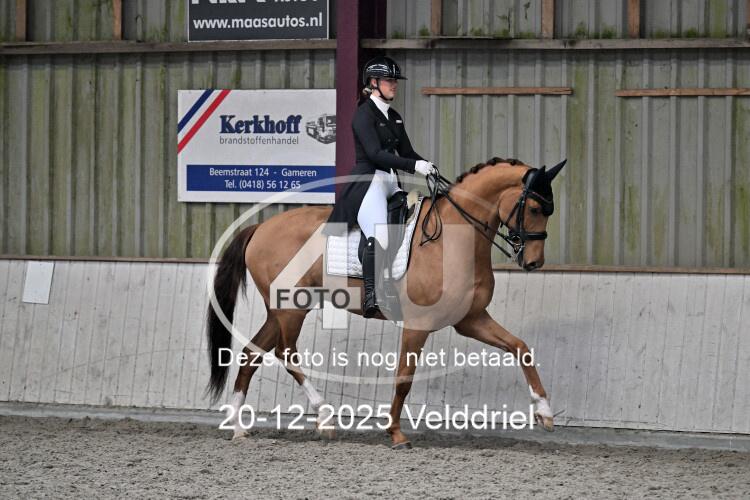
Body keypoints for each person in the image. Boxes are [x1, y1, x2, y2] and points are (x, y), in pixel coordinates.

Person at [324, 56, 436, 318]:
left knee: (409, 225)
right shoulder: (363, 115)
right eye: (388, 80)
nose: (394, 85)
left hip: (390, 182)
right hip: (369, 182)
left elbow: (406, 152)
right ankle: (372, 294)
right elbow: (375, 154)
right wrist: (414, 166)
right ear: (373, 83)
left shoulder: (394, 116)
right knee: (381, 235)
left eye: (395, 80)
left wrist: (427, 165)